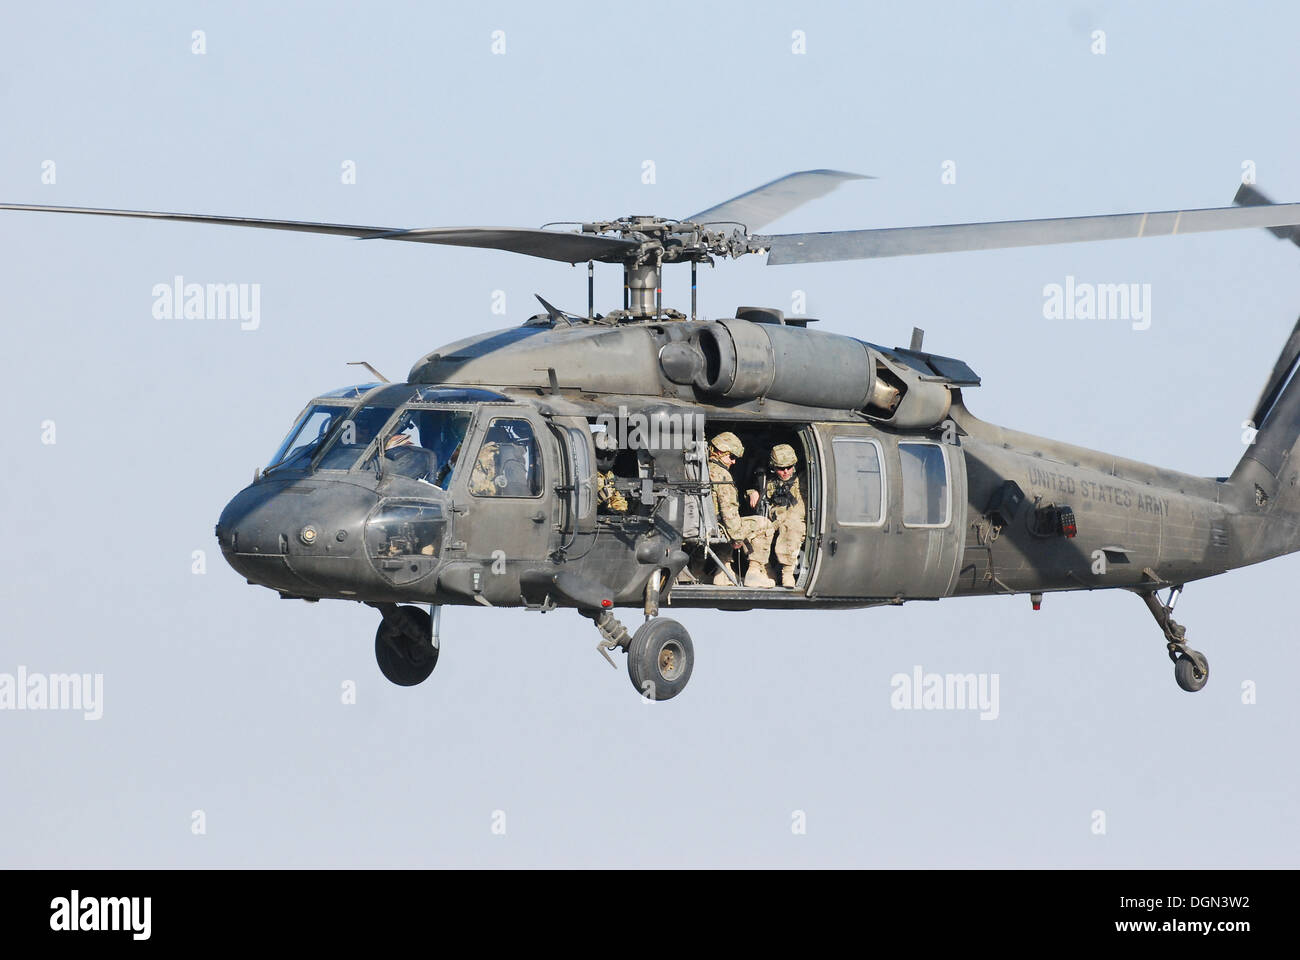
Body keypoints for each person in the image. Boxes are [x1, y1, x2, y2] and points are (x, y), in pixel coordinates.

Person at [708, 432, 775, 587]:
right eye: (731, 457)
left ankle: (723, 572)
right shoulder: (722, 476)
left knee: (732, 526)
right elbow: (728, 512)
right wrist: (737, 537)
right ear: (719, 452)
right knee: (765, 524)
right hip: (719, 526)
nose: (733, 462)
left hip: (707, 525)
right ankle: (754, 572)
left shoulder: (702, 470)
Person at [747, 443, 805, 587]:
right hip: (774, 520)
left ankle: (788, 572)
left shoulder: (803, 481)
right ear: (773, 467)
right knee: (757, 526)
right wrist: (752, 492)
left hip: (794, 521)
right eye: (780, 468)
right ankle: (763, 569)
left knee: (792, 525)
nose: (785, 471)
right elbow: (757, 491)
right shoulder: (769, 481)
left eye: (789, 467)